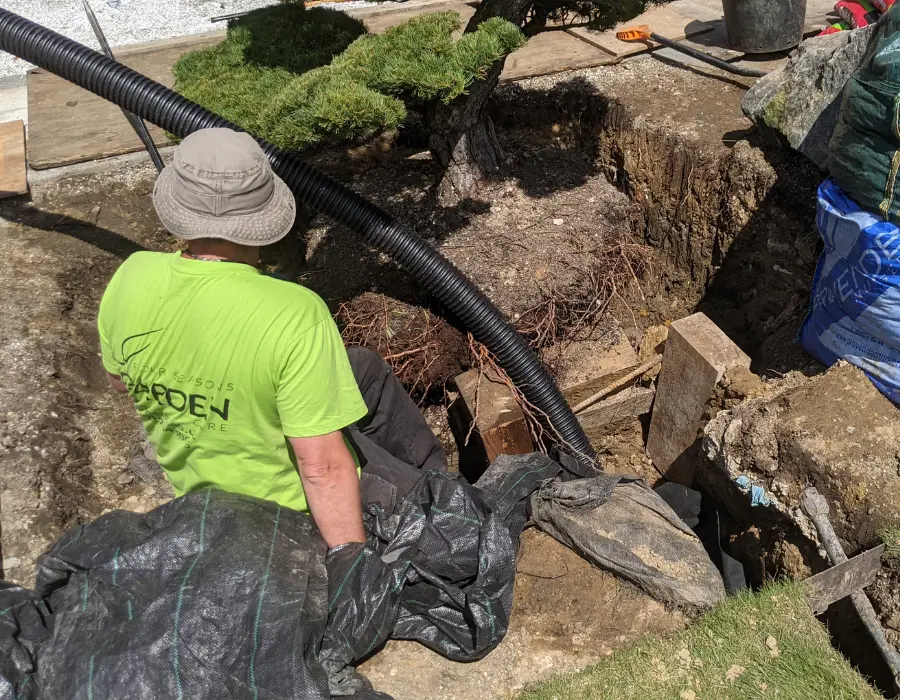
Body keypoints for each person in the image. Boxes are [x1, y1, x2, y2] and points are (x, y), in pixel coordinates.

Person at [98, 128, 446, 549]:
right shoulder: (295, 311)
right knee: (437, 512)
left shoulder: (131, 274)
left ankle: (439, 481)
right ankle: (443, 496)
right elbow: (320, 469)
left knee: (361, 368)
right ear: (264, 215)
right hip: (288, 517)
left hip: (198, 500)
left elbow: (121, 380)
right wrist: (351, 569)